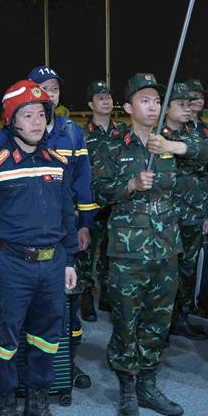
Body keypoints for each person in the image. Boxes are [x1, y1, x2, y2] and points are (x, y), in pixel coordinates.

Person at [0, 80, 77, 416]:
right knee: (4, 341)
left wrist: (69, 260)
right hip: (10, 265)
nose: (36, 121)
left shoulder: (58, 164)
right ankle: (3, 409)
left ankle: (37, 406)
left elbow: (67, 216)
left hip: (51, 264)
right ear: (11, 120)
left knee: (46, 339)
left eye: (42, 114)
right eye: (26, 115)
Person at [91, 73, 183, 416]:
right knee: (126, 320)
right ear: (128, 107)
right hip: (129, 251)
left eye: (157, 101)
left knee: (158, 321)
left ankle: (148, 383)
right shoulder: (112, 145)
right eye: (144, 100)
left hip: (166, 249)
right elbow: (98, 192)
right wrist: (129, 184)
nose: (153, 106)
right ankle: (127, 389)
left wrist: (173, 147)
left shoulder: (169, 141)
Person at [0, 66, 95, 388]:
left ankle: (68, 364)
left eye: (53, 89)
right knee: (15, 319)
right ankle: (13, 384)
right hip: (19, 251)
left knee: (65, 309)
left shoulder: (71, 132)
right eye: (42, 88)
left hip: (60, 239)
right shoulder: (8, 137)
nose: (49, 94)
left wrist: (84, 224)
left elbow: (79, 184)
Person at [163, 83, 208, 340]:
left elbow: (207, 154)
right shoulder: (154, 134)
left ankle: (180, 318)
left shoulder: (193, 132)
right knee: (165, 274)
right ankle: (160, 323)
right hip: (166, 217)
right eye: (180, 104)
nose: (187, 108)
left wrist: (178, 148)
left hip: (193, 213)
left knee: (187, 270)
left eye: (188, 104)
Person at [78, 80, 126, 321]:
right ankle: (85, 295)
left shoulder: (123, 132)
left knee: (110, 253)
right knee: (86, 254)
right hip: (90, 204)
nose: (106, 101)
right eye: (100, 97)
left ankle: (106, 293)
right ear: (91, 104)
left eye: (108, 96)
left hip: (116, 203)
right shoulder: (80, 135)